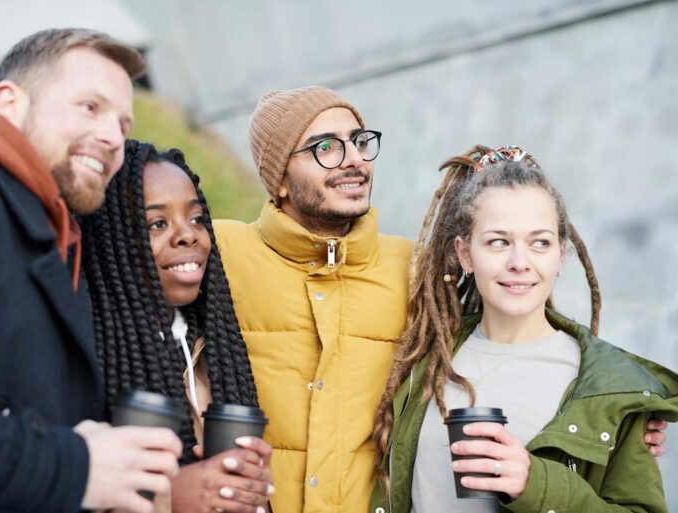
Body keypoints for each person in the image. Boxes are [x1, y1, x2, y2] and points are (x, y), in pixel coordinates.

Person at [0, 29, 181, 513]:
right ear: (10, 103)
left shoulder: (59, 236)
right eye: (90, 107)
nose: (113, 137)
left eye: (123, 123)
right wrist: (71, 466)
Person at [370, 145, 678, 513]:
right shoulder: (422, 358)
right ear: (465, 253)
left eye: (540, 243)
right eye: (498, 242)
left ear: (560, 255)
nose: (520, 262)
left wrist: (535, 484)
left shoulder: (608, 387)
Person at [213, 86, 414, 513]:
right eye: (326, 147)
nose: (355, 159)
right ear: (279, 179)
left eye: (360, 141)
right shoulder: (220, 252)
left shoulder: (413, 267)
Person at [80, 139, 274, 513]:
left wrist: (250, 493)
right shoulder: (88, 363)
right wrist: (176, 497)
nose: (189, 235)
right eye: (157, 223)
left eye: (197, 218)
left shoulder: (213, 352)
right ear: (112, 243)